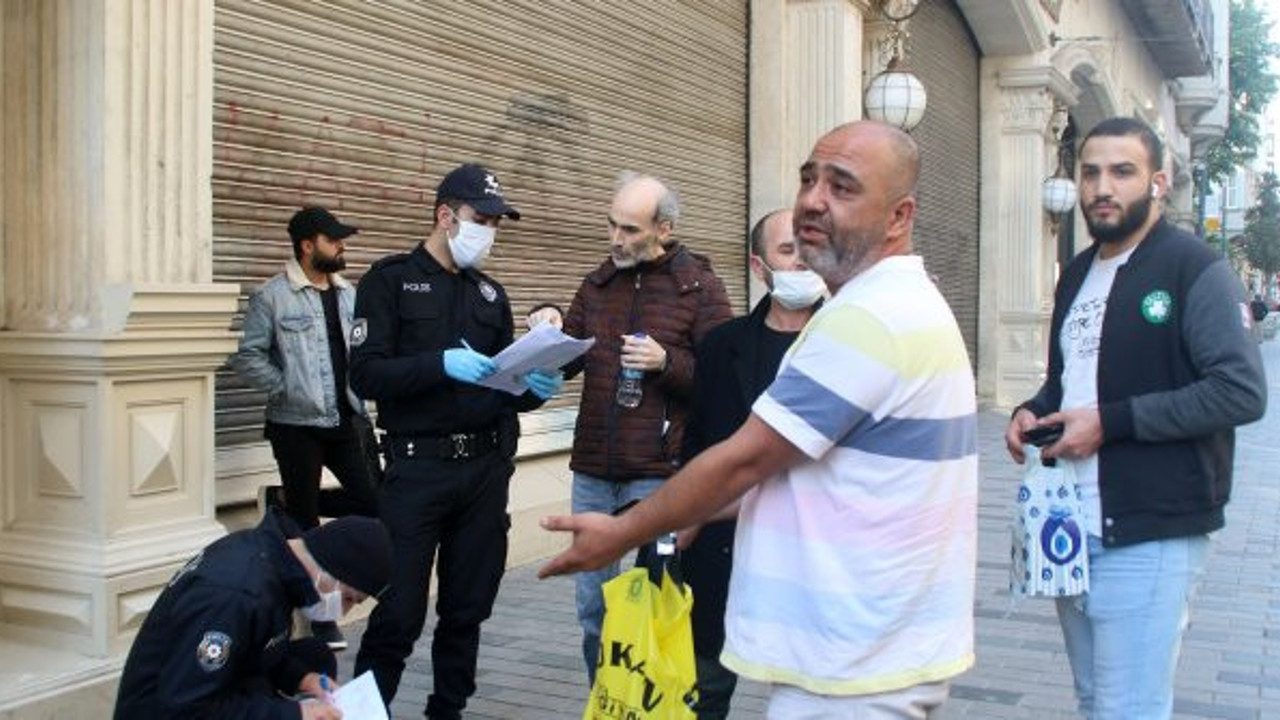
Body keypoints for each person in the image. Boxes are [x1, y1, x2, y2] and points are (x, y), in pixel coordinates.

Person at [539, 121, 979, 718]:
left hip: (854, 667)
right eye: (808, 179)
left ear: (899, 216)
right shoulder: (887, 305)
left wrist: (625, 531)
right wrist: (692, 512)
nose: (813, 201)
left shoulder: (871, 319)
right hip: (868, 654)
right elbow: (798, 475)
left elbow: (747, 458)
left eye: (842, 187)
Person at [1004, 117, 1267, 719]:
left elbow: (1240, 392)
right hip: (1070, 525)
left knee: (1129, 708)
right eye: (1091, 172)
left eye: (1122, 172)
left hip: (1151, 532)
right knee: (1096, 700)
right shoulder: (1075, 273)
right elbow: (1067, 381)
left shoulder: (1192, 267)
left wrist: (1112, 422)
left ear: (1158, 182)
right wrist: (1032, 411)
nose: (1103, 187)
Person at [349, 163, 564, 719]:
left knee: (467, 609)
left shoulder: (490, 295)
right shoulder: (389, 280)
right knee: (398, 614)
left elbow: (502, 387)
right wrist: (438, 364)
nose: (489, 231)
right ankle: (360, 714)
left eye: (496, 222)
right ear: (446, 215)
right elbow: (365, 375)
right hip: (416, 473)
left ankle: (447, 711)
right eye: (481, 218)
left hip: (485, 471)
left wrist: (536, 386)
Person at [529, 171, 732, 680]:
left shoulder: (700, 286)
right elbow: (568, 355)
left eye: (629, 230)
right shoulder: (598, 283)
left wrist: (668, 363)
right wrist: (545, 324)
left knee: (651, 608)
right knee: (592, 611)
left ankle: (652, 705)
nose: (615, 239)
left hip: (659, 474)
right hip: (594, 470)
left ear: (663, 229)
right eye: (611, 225)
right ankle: (607, 703)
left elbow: (721, 382)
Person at [677, 207, 823, 718]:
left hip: (814, 551)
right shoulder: (722, 346)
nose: (803, 261)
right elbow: (696, 444)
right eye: (788, 251)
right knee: (706, 686)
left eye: (809, 248)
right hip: (721, 548)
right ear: (759, 266)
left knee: (810, 693)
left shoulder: (846, 341)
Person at [231, 205, 382, 650]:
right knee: (306, 524)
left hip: (348, 416)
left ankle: (280, 501)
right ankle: (321, 616)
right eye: (333, 240)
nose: (341, 247)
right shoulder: (272, 297)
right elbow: (248, 355)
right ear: (307, 245)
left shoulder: (349, 294)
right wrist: (286, 388)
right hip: (296, 423)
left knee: (373, 502)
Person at [114, 511, 394, 720]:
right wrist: (295, 713)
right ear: (330, 570)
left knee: (313, 656)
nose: (343, 611)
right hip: (165, 709)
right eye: (347, 597)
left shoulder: (272, 560)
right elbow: (186, 705)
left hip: (209, 685)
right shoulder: (235, 596)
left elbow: (256, 649)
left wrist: (303, 679)